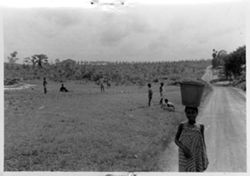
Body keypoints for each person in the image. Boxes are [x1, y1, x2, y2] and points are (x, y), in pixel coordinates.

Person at [175, 106, 209, 172]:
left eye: (193, 112)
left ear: (197, 113)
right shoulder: (182, 125)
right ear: (185, 113)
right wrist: (184, 149)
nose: (190, 115)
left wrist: (205, 155)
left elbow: (202, 142)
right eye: (188, 112)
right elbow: (176, 140)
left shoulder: (201, 126)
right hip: (184, 155)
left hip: (196, 155)